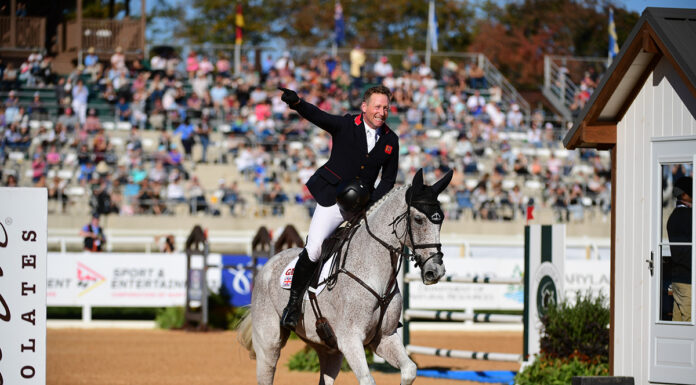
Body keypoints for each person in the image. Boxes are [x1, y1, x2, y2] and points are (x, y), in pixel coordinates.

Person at [276, 85, 400, 330]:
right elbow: (319, 116)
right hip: (333, 200)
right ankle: (292, 305)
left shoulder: (390, 140)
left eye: (386, 107)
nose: (382, 112)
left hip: (364, 206)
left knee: (379, 250)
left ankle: (385, 312)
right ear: (364, 107)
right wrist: (297, 103)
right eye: (377, 106)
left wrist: (373, 205)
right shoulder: (345, 125)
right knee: (314, 250)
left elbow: (388, 180)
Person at [667, 176, 692, 322]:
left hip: (677, 279)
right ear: (684, 195)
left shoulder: (674, 216)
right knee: (690, 323)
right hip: (688, 280)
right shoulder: (688, 216)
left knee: (678, 324)